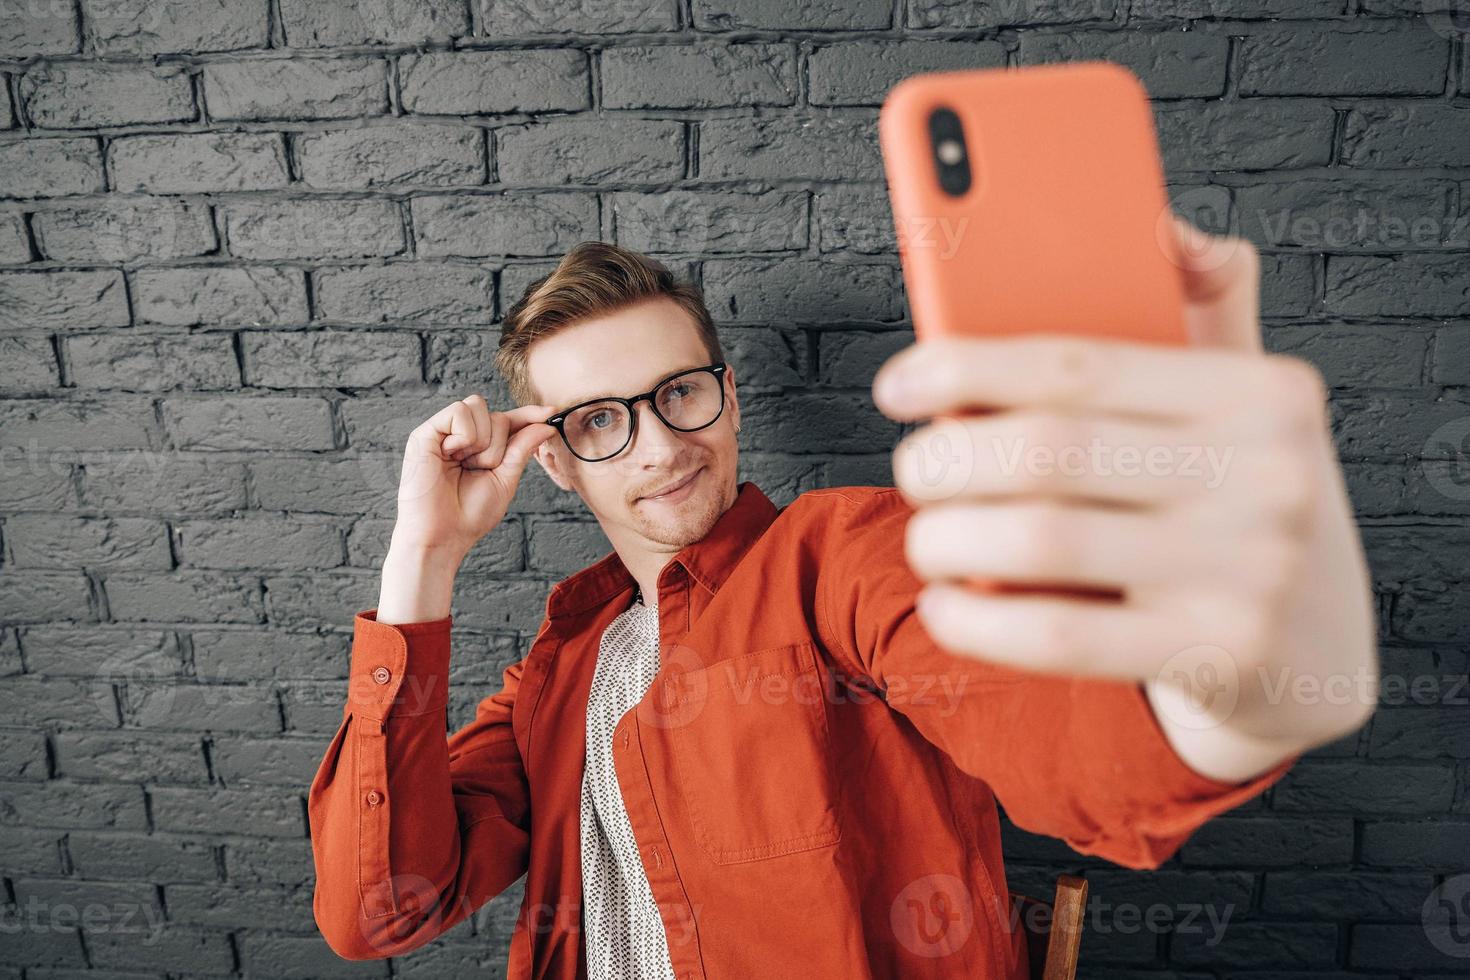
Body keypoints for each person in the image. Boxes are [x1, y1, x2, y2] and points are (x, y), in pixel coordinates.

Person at [307, 219, 1377, 979]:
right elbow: (379, 907)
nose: (663, 445)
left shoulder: (841, 559)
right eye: (599, 421)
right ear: (556, 462)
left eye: (680, 393)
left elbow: (1068, 742)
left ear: (726, 395)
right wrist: (424, 559)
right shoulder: (562, 667)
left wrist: (1235, 689)